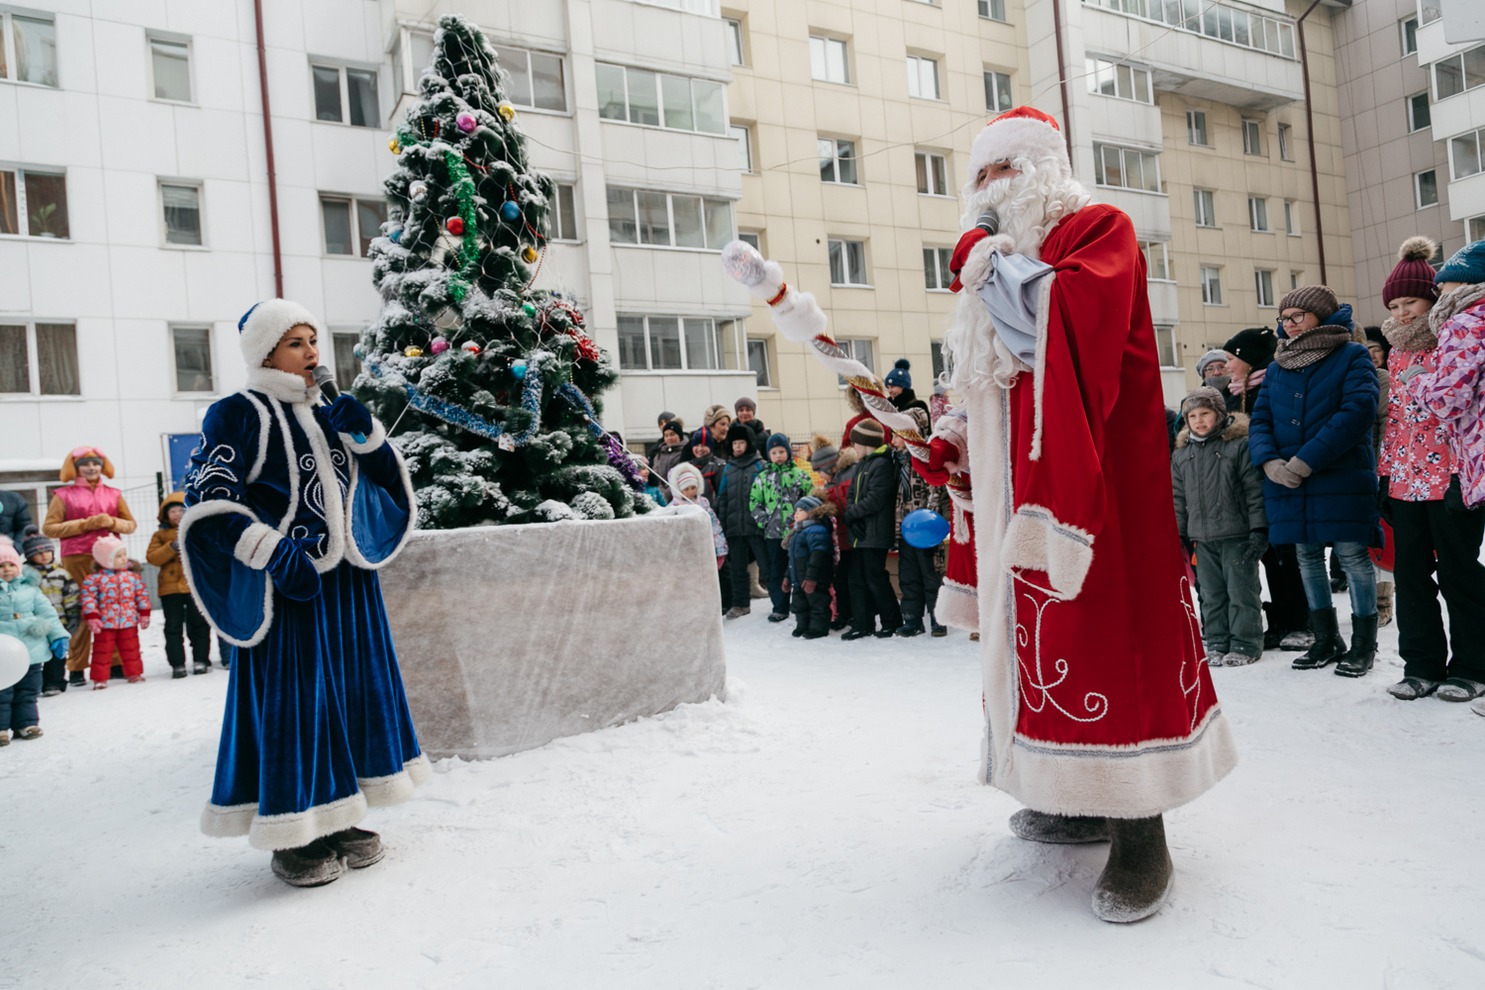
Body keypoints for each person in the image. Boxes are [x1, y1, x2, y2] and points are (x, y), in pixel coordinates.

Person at [941, 106, 1235, 921]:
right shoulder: (996, 256)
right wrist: (957, 438)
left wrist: (986, 262)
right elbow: (997, 377)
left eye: (1006, 170)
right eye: (980, 176)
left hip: (1098, 491)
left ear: (1042, 169)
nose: (992, 189)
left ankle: (1140, 830)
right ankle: (1067, 793)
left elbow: (1061, 328)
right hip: (1020, 491)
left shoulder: (1095, 227)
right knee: (1043, 642)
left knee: (1107, 637)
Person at [180, 299, 426, 887]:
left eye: (314, 339)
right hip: (288, 585)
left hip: (348, 581)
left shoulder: (331, 409)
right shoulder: (237, 413)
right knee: (297, 702)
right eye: (296, 342)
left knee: (352, 694)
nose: (312, 352)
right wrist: (270, 551)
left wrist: (365, 435)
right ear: (266, 352)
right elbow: (209, 500)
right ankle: (295, 830)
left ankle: (343, 813)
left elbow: (383, 486)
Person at [1249, 285, 1381, 676]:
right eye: (1283, 318)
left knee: (1353, 557)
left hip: (1339, 474)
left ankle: (1363, 644)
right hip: (1287, 479)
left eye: (1297, 317)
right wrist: (1270, 462)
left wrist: (1306, 461)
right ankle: (1326, 638)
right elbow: (1261, 420)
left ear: (1320, 317)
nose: (1288, 325)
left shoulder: (1352, 355)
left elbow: (1357, 412)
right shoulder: (1277, 366)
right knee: (1306, 557)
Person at [1391, 239, 1485, 702]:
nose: (1403, 312)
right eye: (1394, 305)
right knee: (1410, 578)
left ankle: (1472, 666)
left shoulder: (1458, 335)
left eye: (1410, 301)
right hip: (1405, 482)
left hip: (1451, 477)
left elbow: (1458, 410)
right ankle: (1421, 665)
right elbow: (1394, 419)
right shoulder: (1396, 353)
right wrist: (1386, 474)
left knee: (1459, 574)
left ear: (1434, 297)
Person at [1170, 387, 1267, 666]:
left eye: (1205, 414)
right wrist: (1179, 533)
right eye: (1193, 416)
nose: (1199, 421)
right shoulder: (1181, 455)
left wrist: (1259, 530)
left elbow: (1254, 491)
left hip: (1237, 533)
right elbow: (1178, 498)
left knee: (1241, 591)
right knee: (1210, 594)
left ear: (1220, 414)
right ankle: (1217, 641)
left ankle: (1245, 643)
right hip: (1202, 536)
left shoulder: (1239, 446)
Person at [41, 447, 136, 687]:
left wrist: (111, 522)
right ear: (75, 468)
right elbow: (50, 528)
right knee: (81, 611)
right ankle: (76, 667)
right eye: (86, 464)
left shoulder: (114, 494)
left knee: (112, 608)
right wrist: (86, 524)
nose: (92, 468)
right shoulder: (63, 495)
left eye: (96, 463)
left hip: (111, 558)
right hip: (77, 556)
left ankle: (115, 664)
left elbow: (130, 525)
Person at [0, 543, 69, 745]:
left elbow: (48, 614)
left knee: (28, 690)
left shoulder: (31, 589)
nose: (6, 569)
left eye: (10, 564)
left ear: (18, 567)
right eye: (1, 566)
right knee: (3, 691)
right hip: (4, 654)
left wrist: (58, 636)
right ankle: (1, 728)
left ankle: (26, 724)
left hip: (32, 649)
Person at [839, 419, 902, 640]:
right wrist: (851, 516)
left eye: (855, 442)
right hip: (860, 533)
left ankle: (891, 621)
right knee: (856, 578)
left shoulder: (882, 464)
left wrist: (852, 514)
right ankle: (862, 623)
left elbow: (876, 498)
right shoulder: (862, 464)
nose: (852, 447)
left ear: (866, 443)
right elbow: (851, 494)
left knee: (874, 577)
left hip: (875, 533)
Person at [892, 408, 948, 637]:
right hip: (905, 529)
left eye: (897, 435)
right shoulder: (897, 461)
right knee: (908, 575)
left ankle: (938, 618)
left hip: (925, 530)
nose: (893, 440)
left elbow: (936, 491)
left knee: (930, 574)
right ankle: (913, 619)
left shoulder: (924, 458)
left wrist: (932, 522)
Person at [146, 492, 214, 678]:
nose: (177, 514)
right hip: (169, 589)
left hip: (194, 585)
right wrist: (171, 547)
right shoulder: (159, 535)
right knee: (173, 627)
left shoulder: (196, 530)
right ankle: (177, 664)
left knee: (199, 624)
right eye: (172, 511)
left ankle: (201, 659)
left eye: (181, 510)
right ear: (165, 515)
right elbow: (152, 558)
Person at [750, 433, 814, 623]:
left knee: (798, 568)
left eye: (781, 451)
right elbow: (754, 503)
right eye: (774, 452)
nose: (778, 455)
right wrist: (765, 521)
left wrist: (803, 521)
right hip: (774, 534)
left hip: (796, 533)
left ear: (787, 452)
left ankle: (802, 604)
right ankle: (780, 606)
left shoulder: (800, 475)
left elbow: (810, 498)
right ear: (768, 455)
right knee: (776, 570)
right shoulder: (762, 478)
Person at [79, 536, 151, 687]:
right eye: (118, 556)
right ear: (105, 560)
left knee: (131, 648)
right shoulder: (94, 579)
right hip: (105, 622)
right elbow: (89, 598)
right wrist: (92, 617)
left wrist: (144, 612)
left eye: (124, 554)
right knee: (102, 651)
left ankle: (134, 673)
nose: (124, 559)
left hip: (128, 620)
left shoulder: (132, 577)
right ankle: (100, 678)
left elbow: (141, 595)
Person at [714, 422, 768, 619]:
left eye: (741, 443)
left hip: (757, 527)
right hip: (735, 528)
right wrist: (722, 525)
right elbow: (723, 498)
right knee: (737, 568)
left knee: (767, 565)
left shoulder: (759, 465)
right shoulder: (728, 469)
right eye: (734, 443)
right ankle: (740, 603)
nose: (737, 447)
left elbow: (767, 495)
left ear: (749, 444)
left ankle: (780, 601)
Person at [20, 528, 80, 697]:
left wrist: (73, 614)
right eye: (39, 553)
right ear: (29, 556)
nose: (44, 555)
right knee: (35, 654)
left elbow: (71, 595)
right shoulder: (24, 576)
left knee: (57, 654)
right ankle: (33, 684)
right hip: (32, 623)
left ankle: (54, 682)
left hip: (58, 621)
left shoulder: (61, 573)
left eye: (47, 551)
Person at [667, 462, 728, 592]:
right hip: (686, 550)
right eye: (686, 489)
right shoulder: (674, 508)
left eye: (693, 488)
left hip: (705, 546)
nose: (690, 492)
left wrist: (720, 546)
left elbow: (714, 524)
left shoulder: (703, 503)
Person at [782, 493, 835, 639]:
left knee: (817, 602)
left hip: (813, 577)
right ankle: (802, 625)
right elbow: (792, 558)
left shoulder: (817, 530)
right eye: (796, 510)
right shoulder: (799, 532)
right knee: (800, 603)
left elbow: (819, 554)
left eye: (800, 510)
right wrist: (787, 576)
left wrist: (812, 577)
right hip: (799, 577)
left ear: (811, 511)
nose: (796, 514)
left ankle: (818, 628)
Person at [685, 429, 727, 502]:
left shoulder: (719, 466)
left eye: (704, 445)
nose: (700, 449)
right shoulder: (688, 467)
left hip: (711, 510)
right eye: (697, 445)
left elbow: (722, 494)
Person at [650, 420, 688, 485]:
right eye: (666, 436)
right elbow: (655, 473)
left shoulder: (686, 451)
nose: (669, 438)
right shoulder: (660, 452)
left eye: (672, 434)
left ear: (679, 435)